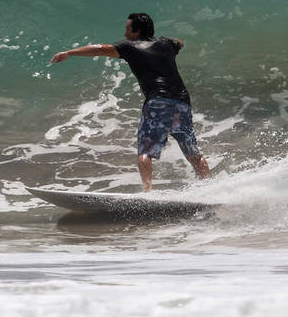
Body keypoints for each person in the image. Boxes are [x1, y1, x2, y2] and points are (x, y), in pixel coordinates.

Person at [50, 12, 212, 191]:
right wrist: (171, 43)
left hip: (158, 103)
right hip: (182, 103)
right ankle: (209, 187)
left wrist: (69, 53)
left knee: (145, 152)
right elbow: (180, 42)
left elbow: (98, 49)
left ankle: (148, 192)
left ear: (138, 31)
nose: (126, 33)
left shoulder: (128, 46)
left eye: (128, 29)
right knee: (193, 153)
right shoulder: (167, 44)